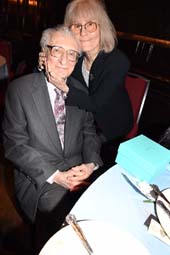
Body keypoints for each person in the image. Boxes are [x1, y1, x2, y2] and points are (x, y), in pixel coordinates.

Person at [2, 25, 102, 252]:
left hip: (78, 170)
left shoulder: (80, 92)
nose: (64, 60)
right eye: (57, 50)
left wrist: (91, 164)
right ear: (44, 55)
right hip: (39, 178)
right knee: (62, 223)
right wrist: (56, 176)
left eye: (72, 54)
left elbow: (89, 132)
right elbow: (14, 145)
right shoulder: (20, 90)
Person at [38, 0, 133, 167]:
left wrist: (64, 87)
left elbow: (95, 104)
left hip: (111, 127)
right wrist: (45, 65)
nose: (83, 32)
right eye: (77, 26)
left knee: (68, 151)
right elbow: (49, 82)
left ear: (102, 27)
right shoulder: (77, 58)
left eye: (90, 24)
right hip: (84, 120)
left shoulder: (118, 61)